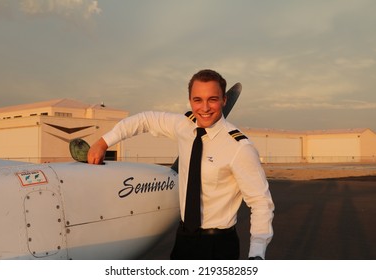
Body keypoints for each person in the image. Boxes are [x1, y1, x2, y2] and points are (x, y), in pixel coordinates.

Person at [87, 69, 274, 260]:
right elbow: (146, 120)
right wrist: (104, 142)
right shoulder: (184, 126)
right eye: (198, 100)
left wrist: (256, 255)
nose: (205, 108)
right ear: (190, 101)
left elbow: (261, 203)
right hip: (184, 239)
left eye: (213, 99)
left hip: (218, 245)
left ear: (224, 100)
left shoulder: (239, 147)